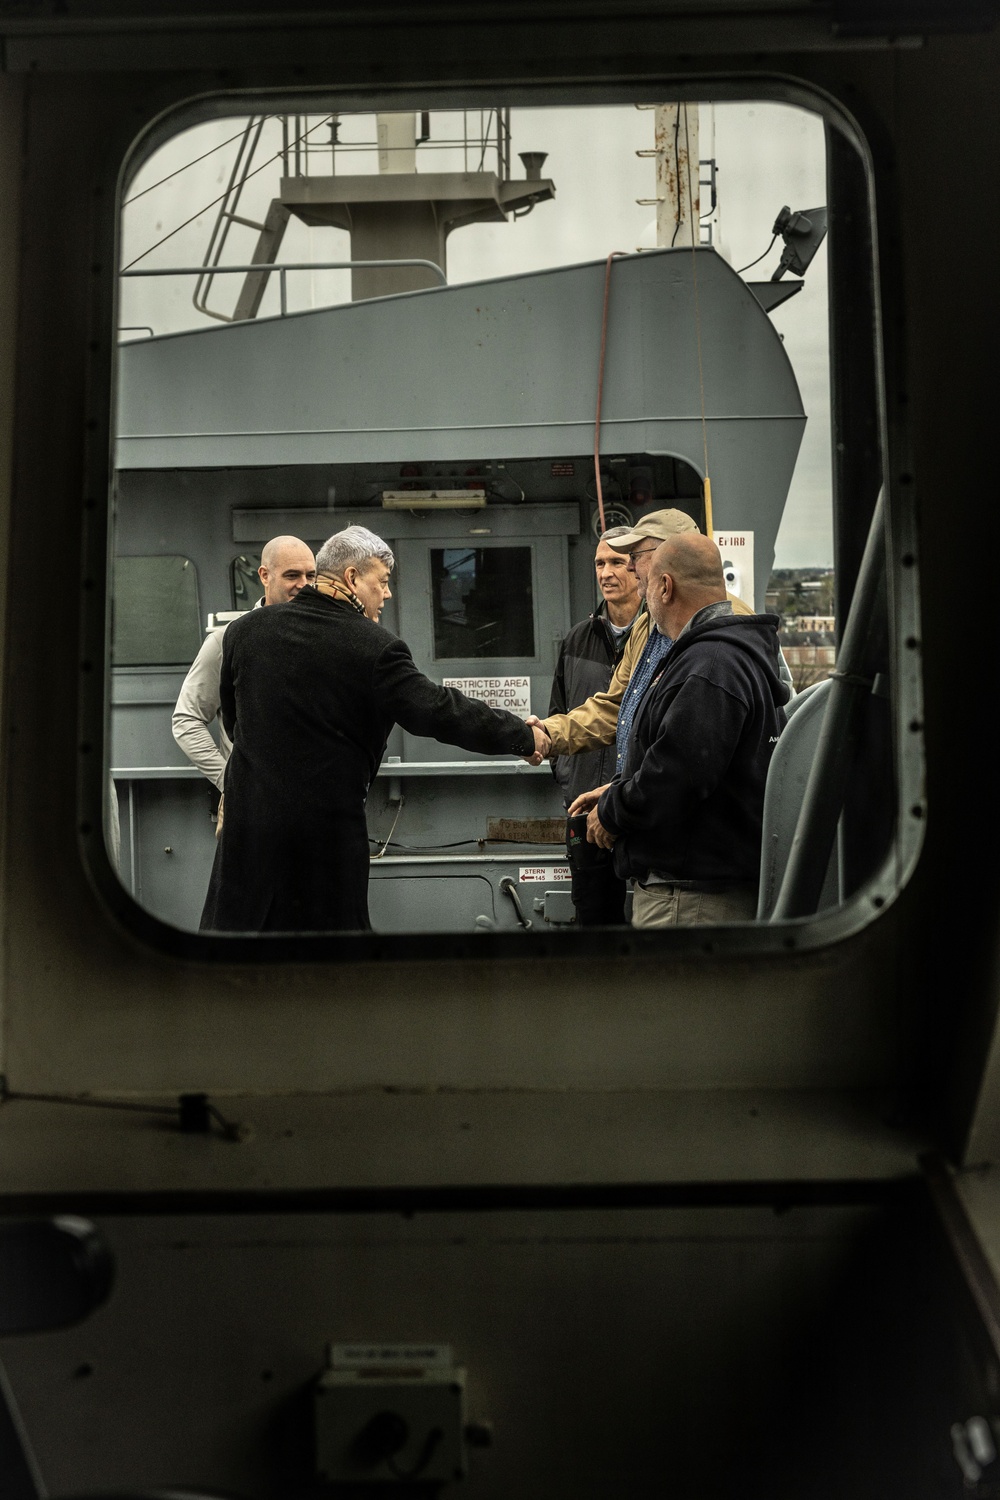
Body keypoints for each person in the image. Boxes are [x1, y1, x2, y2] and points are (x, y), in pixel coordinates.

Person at [200, 525, 547, 933]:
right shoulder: (374, 647)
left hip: (247, 840)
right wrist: (522, 735)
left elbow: (234, 720)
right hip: (323, 845)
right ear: (350, 578)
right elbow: (437, 710)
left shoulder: (244, 632)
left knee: (237, 959)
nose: (387, 594)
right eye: (382, 582)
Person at [579, 533, 788, 926]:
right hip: (703, 893)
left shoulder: (709, 665)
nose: (642, 596)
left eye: (643, 584)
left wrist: (611, 811)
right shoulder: (731, 656)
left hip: (688, 903)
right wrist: (619, 788)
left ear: (665, 586)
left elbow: (677, 778)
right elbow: (699, 762)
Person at [172, 535, 317, 796]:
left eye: (311, 575)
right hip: (254, 805)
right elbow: (187, 719)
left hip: (314, 802)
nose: (304, 586)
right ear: (264, 576)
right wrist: (231, 782)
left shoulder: (326, 640)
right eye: (292, 575)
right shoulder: (226, 640)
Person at [548, 526, 641, 925]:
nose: (606, 572)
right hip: (587, 811)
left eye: (617, 562)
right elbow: (560, 710)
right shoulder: (575, 641)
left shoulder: (661, 635)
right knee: (594, 924)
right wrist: (571, 783)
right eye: (600, 563)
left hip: (639, 806)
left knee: (648, 923)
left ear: (642, 570)